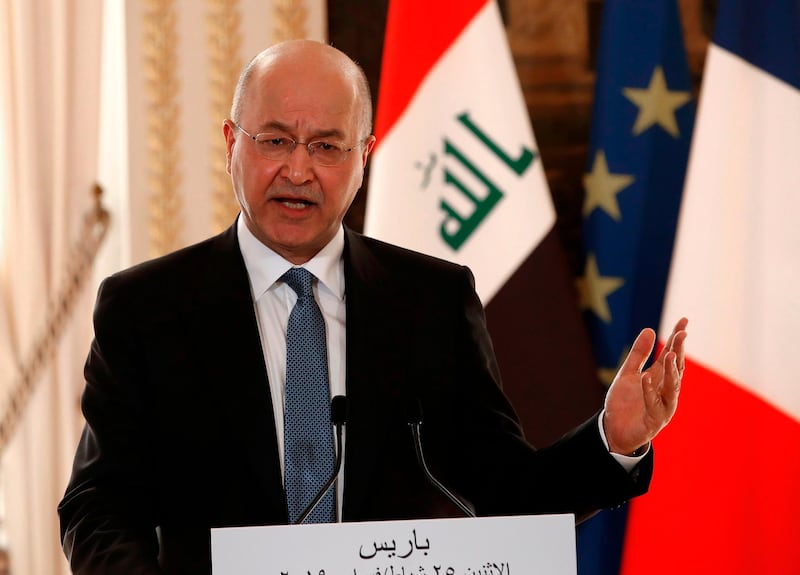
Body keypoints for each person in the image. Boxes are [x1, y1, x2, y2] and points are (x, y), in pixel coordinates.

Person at [58, 40, 687, 574]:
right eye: (275, 139)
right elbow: (98, 505)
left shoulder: (432, 302)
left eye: (327, 147)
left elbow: (505, 496)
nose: (298, 170)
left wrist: (613, 441)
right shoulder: (145, 308)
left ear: (364, 156)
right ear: (231, 143)